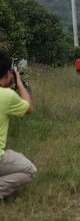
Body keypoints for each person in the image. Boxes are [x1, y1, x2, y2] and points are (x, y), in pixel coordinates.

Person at [0, 52, 37, 199]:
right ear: (8, 73)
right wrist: (19, 82)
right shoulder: (7, 96)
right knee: (29, 170)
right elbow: (28, 108)